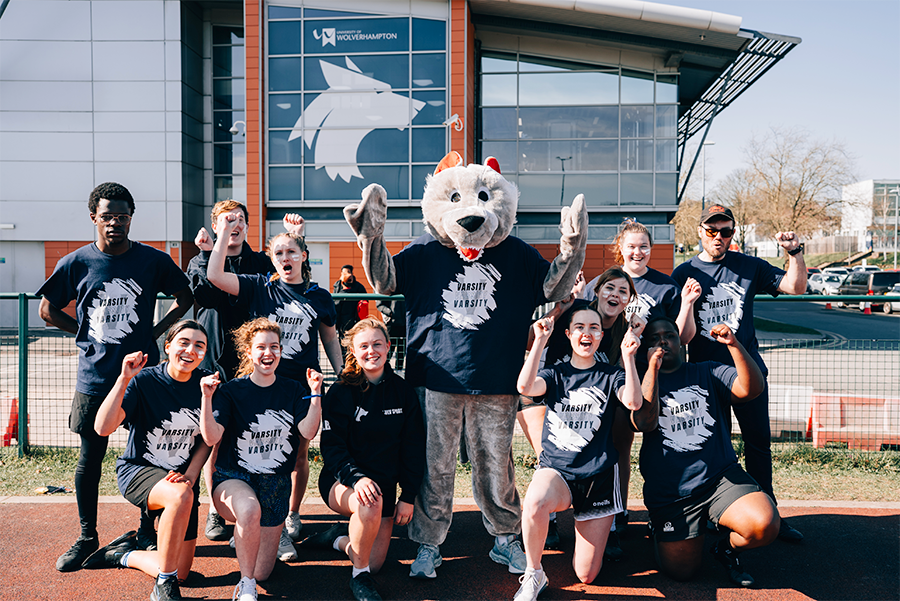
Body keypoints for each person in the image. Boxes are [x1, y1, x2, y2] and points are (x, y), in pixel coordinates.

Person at [37, 182, 193, 572]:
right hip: (96, 377)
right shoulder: (76, 262)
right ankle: (88, 535)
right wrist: (84, 335)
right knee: (91, 458)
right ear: (94, 218)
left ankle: (146, 529)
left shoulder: (152, 261)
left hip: (144, 378)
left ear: (130, 219)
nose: (114, 223)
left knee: (152, 453)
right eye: (107, 216)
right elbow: (46, 310)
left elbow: (185, 298)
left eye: (122, 217)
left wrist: (156, 335)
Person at [207, 217, 343, 561]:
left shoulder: (319, 296)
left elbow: (330, 337)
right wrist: (223, 234)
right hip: (260, 385)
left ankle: (287, 517)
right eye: (278, 252)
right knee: (247, 449)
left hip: (299, 386)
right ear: (271, 258)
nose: (285, 257)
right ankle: (244, 519)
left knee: (296, 455)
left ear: (302, 256)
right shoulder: (260, 286)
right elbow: (215, 276)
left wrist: (342, 375)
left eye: (291, 251)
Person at [671, 204, 807, 543]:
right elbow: (681, 334)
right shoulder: (683, 273)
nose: (718, 237)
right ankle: (709, 515)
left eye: (726, 231)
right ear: (699, 232)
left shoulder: (748, 266)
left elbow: (796, 286)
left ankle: (771, 514)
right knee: (710, 447)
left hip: (748, 373)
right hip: (706, 378)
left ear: (734, 232)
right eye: (711, 230)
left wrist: (795, 253)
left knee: (758, 444)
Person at [188, 201, 304, 543]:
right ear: (213, 225)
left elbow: (289, 275)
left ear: (248, 227)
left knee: (263, 436)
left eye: (239, 219)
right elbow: (207, 290)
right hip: (217, 357)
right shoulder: (202, 258)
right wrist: (216, 246)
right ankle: (215, 507)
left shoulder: (257, 263)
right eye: (226, 220)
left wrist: (295, 238)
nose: (233, 224)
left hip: (256, 360)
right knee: (215, 439)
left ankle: (270, 514)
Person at [634, 317, 779, 587]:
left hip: (719, 479)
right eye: (654, 338)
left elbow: (752, 388)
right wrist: (652, 368)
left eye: (669, 336)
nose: (662, 341)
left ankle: (726, 549)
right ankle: (661, 528)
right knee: (682, 573)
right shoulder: (639, 383)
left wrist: (734, 345)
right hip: (672, 492)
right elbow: (644, 421)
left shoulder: (707, 371)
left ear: (681, 343)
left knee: (764, 524)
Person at [513, 307, 646, 601]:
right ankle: (534, 573)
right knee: (534, 501)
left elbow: (634, 402)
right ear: (569, 334)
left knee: (586, 575)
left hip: (598, 476)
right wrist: (539, 341)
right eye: (580, 327)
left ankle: (589, 528)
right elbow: (524, 386)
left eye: (594, 328)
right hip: (557, 471)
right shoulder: (555, 373)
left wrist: (629, 357)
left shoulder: (611, 375)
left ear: (601, 335)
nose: (587, 333)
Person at [584, 221, 703, 546]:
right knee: (603, 449)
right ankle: (603, 514)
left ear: (651, 249)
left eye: (644, 246)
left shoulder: (664, 287)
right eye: (632, 246)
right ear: (619, 247)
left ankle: (644, 512)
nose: (638, 252)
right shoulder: (601, 283)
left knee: (645, 448)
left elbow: (682, 336)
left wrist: (689, 304)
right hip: (606, 380)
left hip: (651, 380)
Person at [85, 320, 213, 601]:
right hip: (138, 471)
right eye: (184, 342)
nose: (190, 350)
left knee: (182, 572)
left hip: (182, 481)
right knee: (180, 497)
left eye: (199, 345)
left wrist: (191, 474)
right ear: (168, 347)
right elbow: (102, 428)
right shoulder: (145, 381)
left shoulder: (206, 383)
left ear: (204, 353)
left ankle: (123, 554)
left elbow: (207, 438)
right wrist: (124, 379)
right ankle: (162, 587)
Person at [300, 318, 425, 601]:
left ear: (388, 346)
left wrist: (408, 495)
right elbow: (332, 449)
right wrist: (357, 479)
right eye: (364, 346)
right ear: (353, 352)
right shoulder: (341, 392)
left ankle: (337, 538)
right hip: (342, 481)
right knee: (369, 506)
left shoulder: (403, 392)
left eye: (377, 344)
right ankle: (359, 579)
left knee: (376, 563)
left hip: (384, 487)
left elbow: (413, 448)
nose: (372, 351)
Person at [516, 267, 637, 557]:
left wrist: (631, 345)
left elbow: (623, 387)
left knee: (611, 444)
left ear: (629, 299)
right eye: (610, 288)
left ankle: (609, 515)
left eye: (623, 291)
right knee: (552, 453)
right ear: (597, 291)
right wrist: (558, 312)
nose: (615, 295)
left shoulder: (622, 329)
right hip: (547, 391)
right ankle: (550, 519)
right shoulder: (577, 311)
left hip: (589, 398)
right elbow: (529, 370)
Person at [199, 318, 321, 601]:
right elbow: (211, 437)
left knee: (264, 571)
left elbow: (308, 431)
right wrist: (207, 399)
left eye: (275, 347)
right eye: (261, 347)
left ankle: (246, 539)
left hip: (276, 484)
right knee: (249, 512)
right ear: (248, 353)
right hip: (235, 478)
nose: (269, 353)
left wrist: (315, 393)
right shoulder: (231, 391)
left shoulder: (293, 390)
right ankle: (245, 585)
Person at [333, 265, 368, 337]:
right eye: (343, 273)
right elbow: (335, 301)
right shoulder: (337, 285)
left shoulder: (358, 287)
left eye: (348, 272)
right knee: (341, 338)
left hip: (353, 317)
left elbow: (365, 301)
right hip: (340, 317)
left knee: (352, 337)